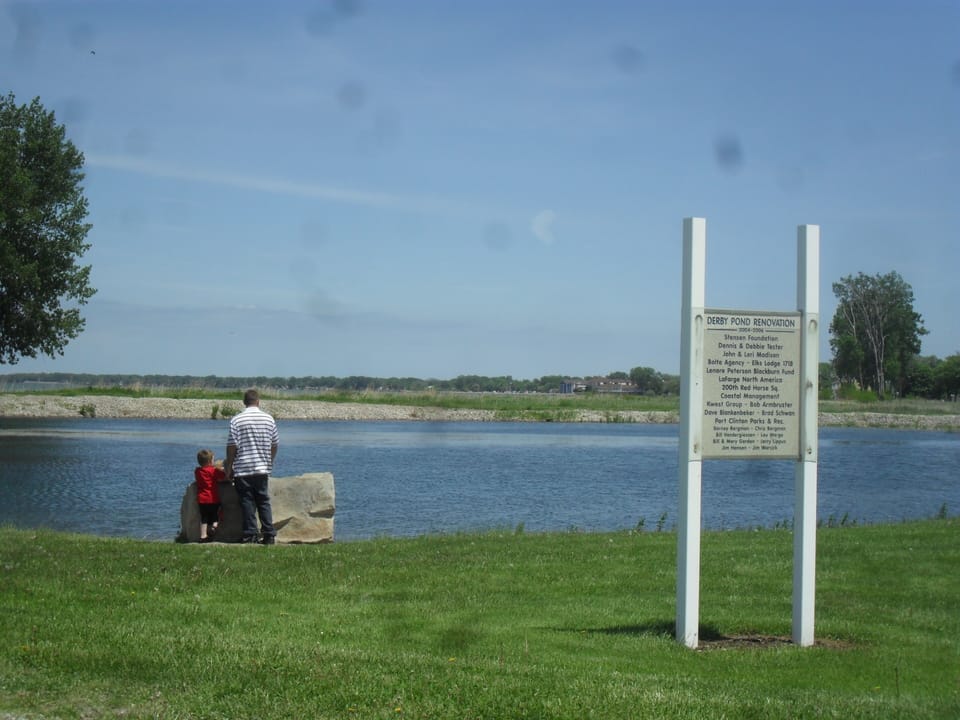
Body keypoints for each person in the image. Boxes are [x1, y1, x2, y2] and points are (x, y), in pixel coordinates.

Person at [223, 389, 279, 544]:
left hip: (243, 467)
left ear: (244, 402)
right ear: (258, 401)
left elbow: (232, 446)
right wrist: (270, 461)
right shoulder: (269, 419)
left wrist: (229, 466)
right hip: (262, 467)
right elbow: (275, 443)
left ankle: (250, 534)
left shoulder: (236, 420)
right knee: (263, 501)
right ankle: (269, 534)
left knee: (247, 501)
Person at [195, 448, 226, 543]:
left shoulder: (197, 471)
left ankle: (203, 536)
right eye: (213, 459)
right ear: (210, 461)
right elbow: (223, 476)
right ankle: (214, 526)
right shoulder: (213, 471)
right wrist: (221, 469)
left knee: (204, 518)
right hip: (213, 498)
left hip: (202, 499)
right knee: (217, 512)